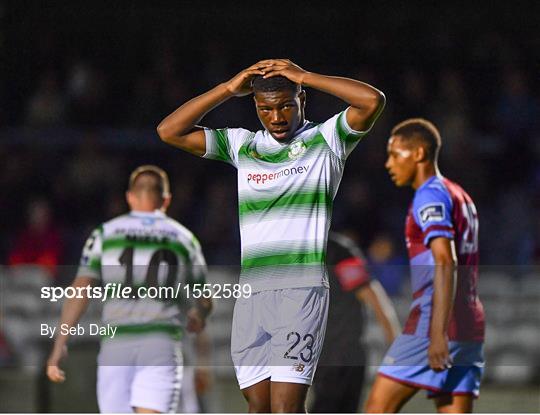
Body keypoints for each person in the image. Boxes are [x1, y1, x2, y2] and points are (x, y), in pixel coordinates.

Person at [157, 59, 385, 412]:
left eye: (285, 106)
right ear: (255, 106)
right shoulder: (243, 146)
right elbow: (168, 131)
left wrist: (305, 75)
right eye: (266, 108)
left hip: (300, 290)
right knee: (258, 408)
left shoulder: (325, 141)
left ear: (301, 100)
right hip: (253, 294)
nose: (276, 116)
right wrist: (227, 89)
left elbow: (372, 101)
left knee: (285, 409)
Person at [46, 165, 212, 413]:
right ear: (166, 200)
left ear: (130, 197)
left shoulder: (106, 233)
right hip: (161, 343)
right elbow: (205, 299)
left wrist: (60, 344)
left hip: (117, 345)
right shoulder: (184, 238)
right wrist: (200, 314)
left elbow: (80, 288)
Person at [364, 119, 485, 413]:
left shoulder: (428, 195)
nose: (388, 164)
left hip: (435, 319)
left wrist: (437, 333)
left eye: (395, 154)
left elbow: (445, 260)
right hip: (470, 321)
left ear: (418, 154)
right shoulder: (460, 195)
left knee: (376, 410)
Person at [309, 231, 401, 413]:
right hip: (337, 356)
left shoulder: (335, 251)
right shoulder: (337, 250)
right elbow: (371, 294)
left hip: (337, 355)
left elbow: (369, 292)